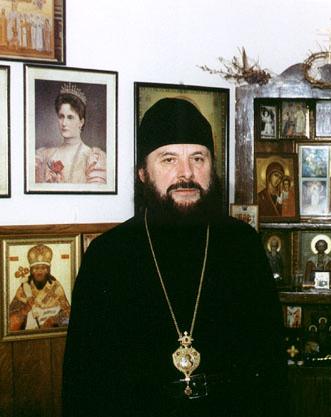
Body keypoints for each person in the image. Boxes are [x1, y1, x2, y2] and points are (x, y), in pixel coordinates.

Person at [62, 97, 288, 417]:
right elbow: (84, 382)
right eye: (168, 159)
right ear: (142, 172)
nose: (186, 173)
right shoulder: (108, 256)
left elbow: (271, 369)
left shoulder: (242, 246)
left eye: (198, 158)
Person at [35, 83, 107, 184]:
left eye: (70, 117)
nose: (64, 123)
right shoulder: (44, 156)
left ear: (81, 122)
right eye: (61, 116)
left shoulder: (93, 158)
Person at [9, 244, 71, 330]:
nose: (39, 272)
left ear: (49, 269)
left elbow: (69, 315)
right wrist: (24, 310)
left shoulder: (56, 288)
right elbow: (9, 324)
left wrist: (54, 320)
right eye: (36, 268)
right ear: (30, 270)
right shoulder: (23, 290)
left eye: (43, 268)